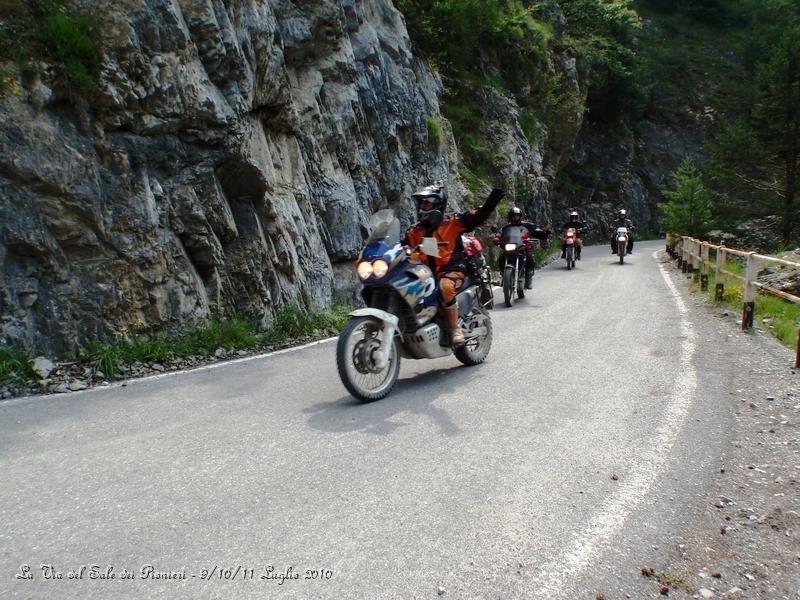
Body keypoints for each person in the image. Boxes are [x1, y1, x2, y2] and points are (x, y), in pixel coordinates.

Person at [405, 183, 504, 346]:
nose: (422, 208)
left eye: (426, 203)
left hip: (452, 270)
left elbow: (478, 216)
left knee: (445, 286)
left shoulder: (453, 222)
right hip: (424, 274)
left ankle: (454, 328)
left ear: (437, 205)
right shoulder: (415, 231)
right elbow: (402, 247)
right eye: (421, 204)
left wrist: (491, 202)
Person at [496, 207, 550, 289]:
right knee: (501, 258)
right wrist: (497, 239)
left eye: (517, 216)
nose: (515, 217)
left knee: (529, 258)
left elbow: (537, 231)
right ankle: (504, 276)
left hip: (524, 248)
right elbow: (500, 234)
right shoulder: (506, 228)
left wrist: (544, 233)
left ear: (520, 216)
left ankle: (528, 280)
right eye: (513, 216)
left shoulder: (527, 225)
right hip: (510, 248)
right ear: (510, 217)